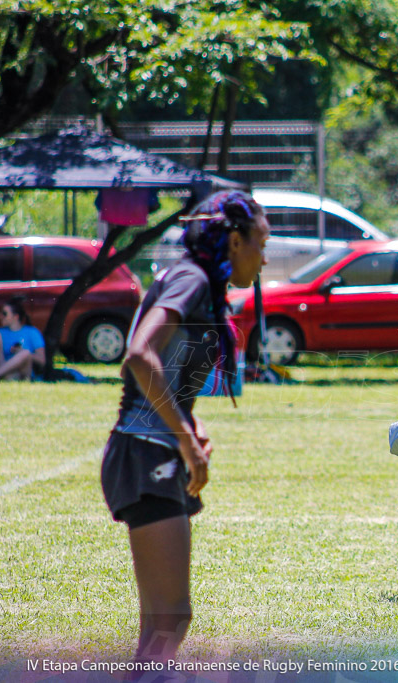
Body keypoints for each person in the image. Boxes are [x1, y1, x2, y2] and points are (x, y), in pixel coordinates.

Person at [99, 191, 269, 667]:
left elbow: (164, 370)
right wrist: (185, 439)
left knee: (163, 623)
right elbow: (138, 355)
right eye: (261, 241)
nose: (265, 256)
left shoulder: (195, 281)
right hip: (144, 452)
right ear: (234, 241)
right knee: (170, 619)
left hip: (151, 450)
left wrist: (189, 423)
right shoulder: (193, 279)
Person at [0, 296, 46, 381]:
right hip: (4, 370)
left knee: (25, 353)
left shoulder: (31, 332)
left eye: (4, 314)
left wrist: (20, 352)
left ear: (15, 316)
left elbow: (42, 360)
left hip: (22, 373)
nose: (0, 316)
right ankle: (0, 375)